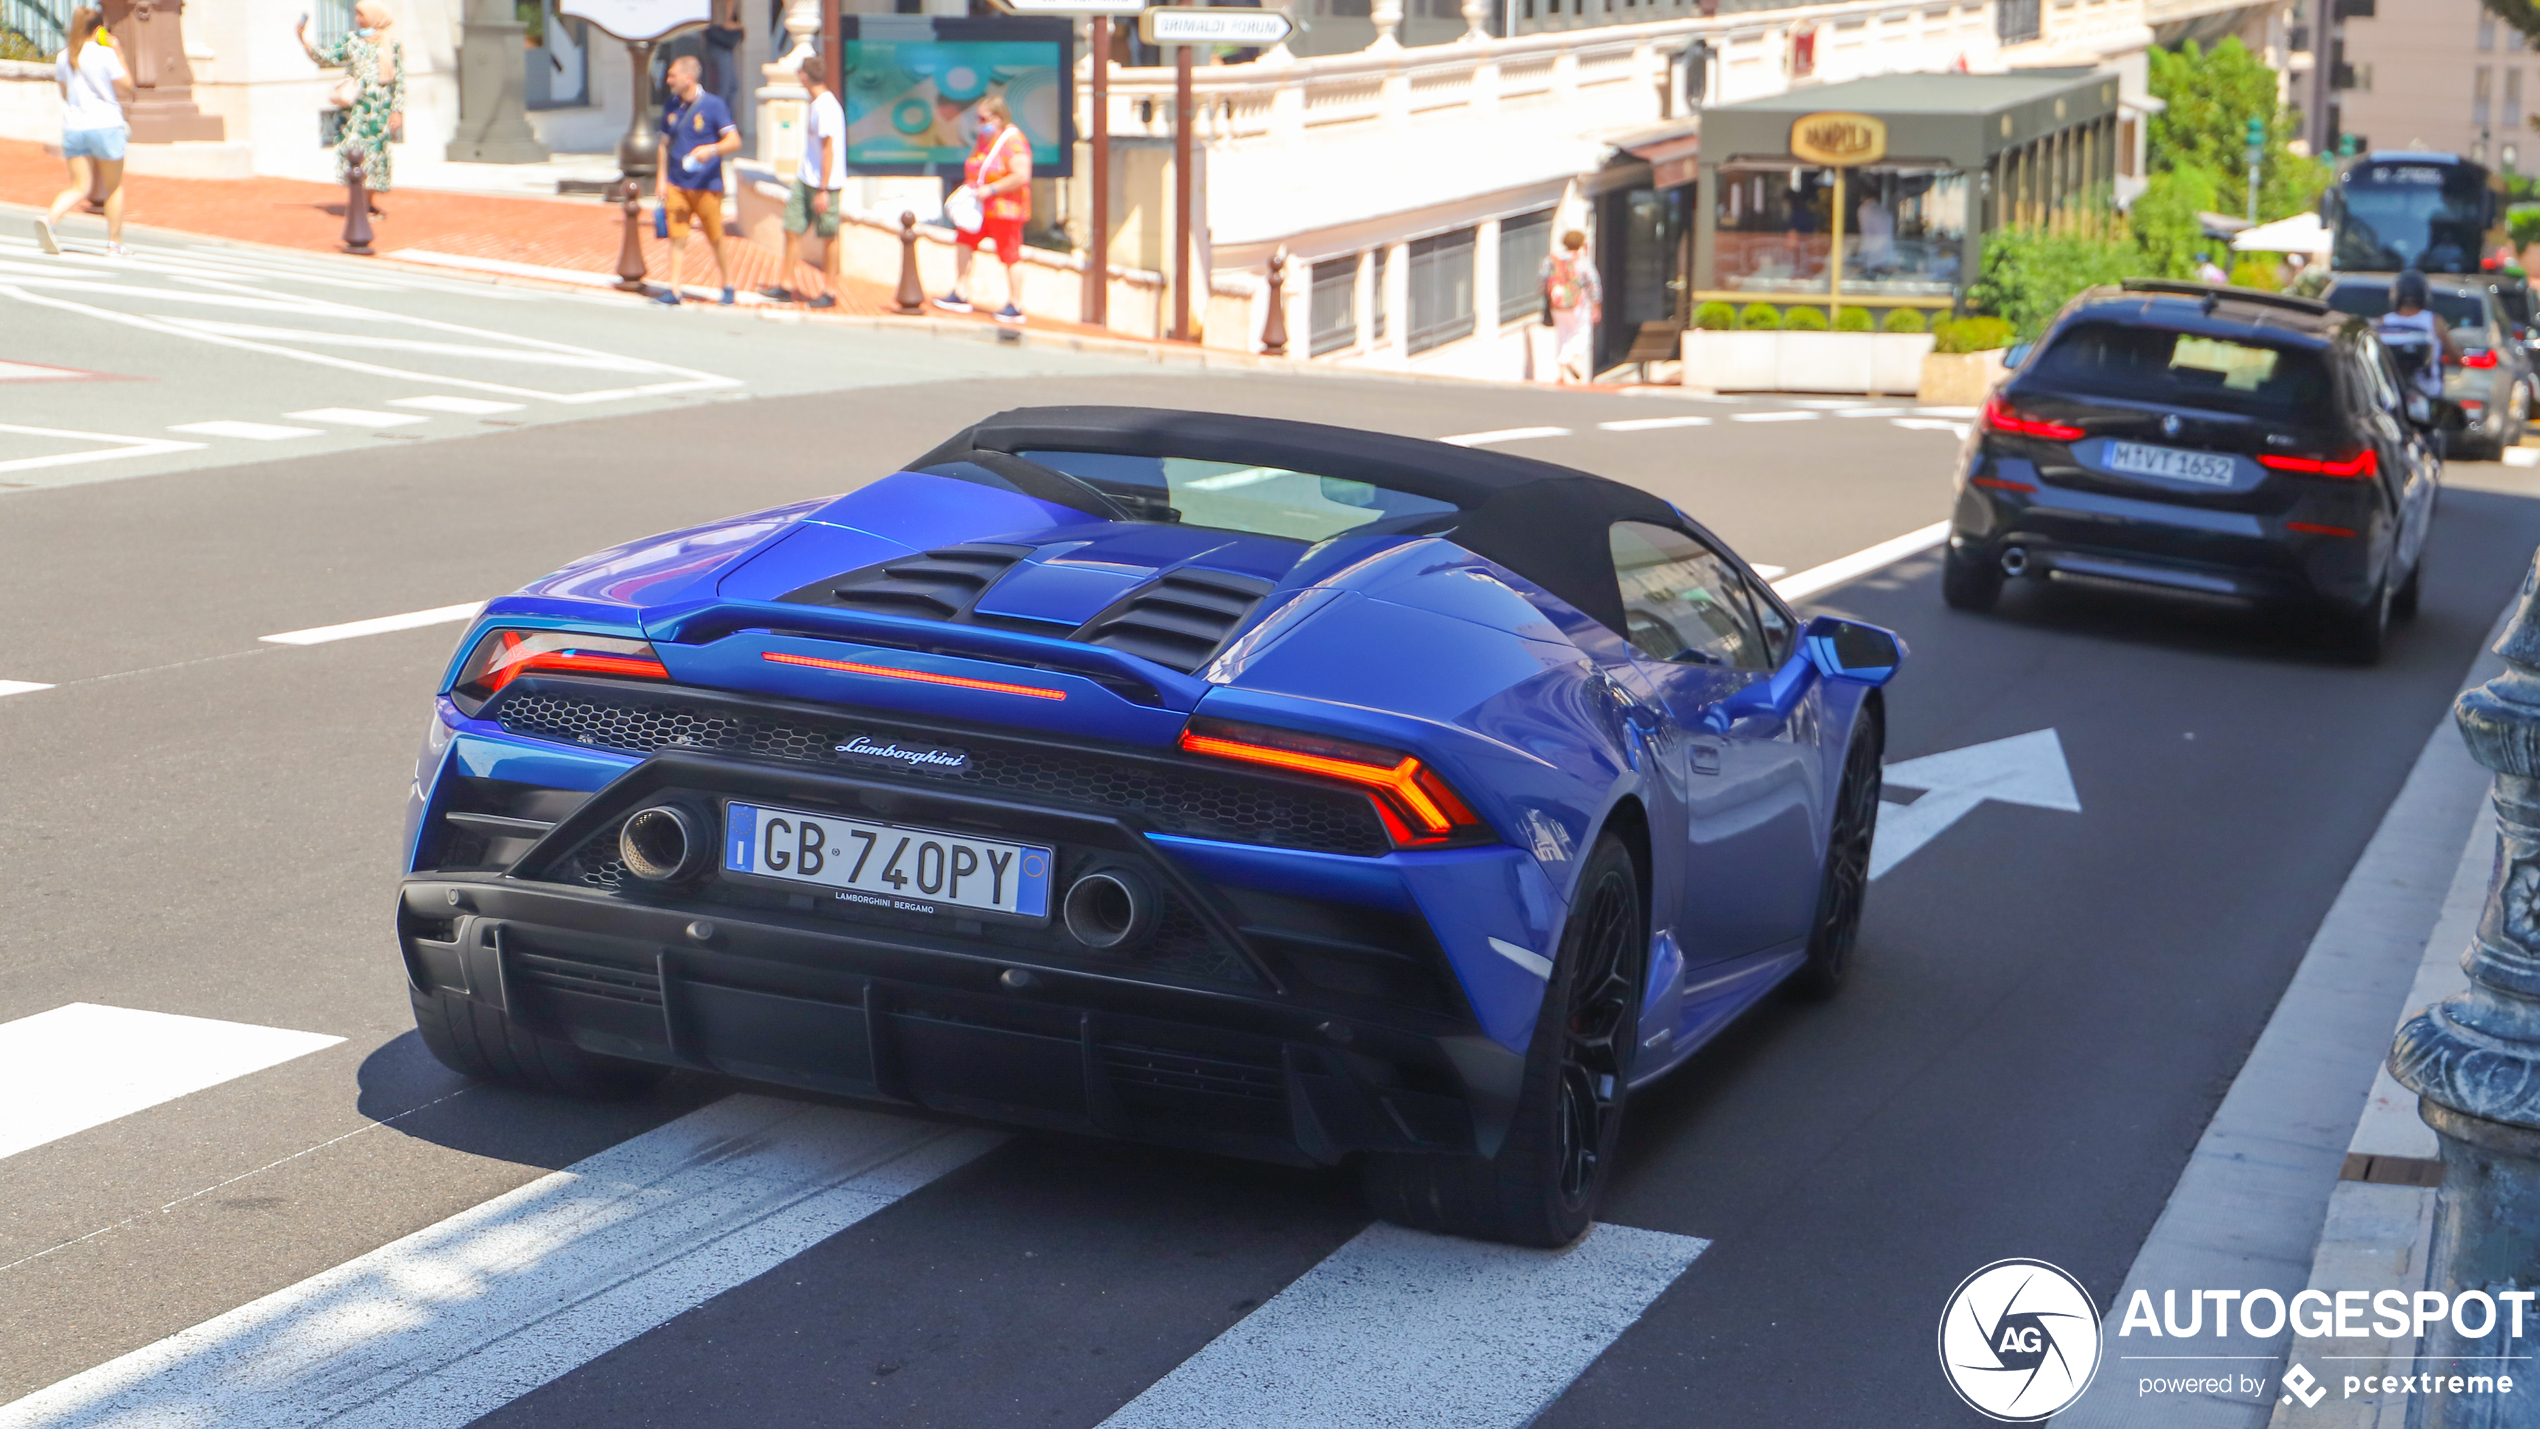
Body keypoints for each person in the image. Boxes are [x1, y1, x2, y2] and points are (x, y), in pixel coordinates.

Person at [35, 8, 132, 257]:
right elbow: (127, 86)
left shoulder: (64, 56)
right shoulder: (105, 54)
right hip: (106, 124)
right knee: (113, 187)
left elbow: (65, 92)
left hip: (74, 126)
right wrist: (118, 51)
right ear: (99, 30)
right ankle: (115, 243)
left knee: (79, 185)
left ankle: (50, 218)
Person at [932, 93, 1032, 325]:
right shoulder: (985, 140)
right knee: (965, 240)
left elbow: (1021, 174)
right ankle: (960, 291)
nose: (978, 123)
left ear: (998, 118)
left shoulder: (1013, 140)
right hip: (979, 208)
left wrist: (992, 189)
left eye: (982, 118)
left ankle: (1016, 304)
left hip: (1004, 208)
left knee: (1010, 254)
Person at [296, 1, 404, 213]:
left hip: (380, 112)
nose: (357, 19)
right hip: (356, 112)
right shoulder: (351, 41)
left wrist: (397, 111)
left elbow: (398, 82)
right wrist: (303, 40)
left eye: (360, 15)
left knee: (377, 155)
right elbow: (327, 57)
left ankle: (369, 203)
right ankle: (359, 203)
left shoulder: (391, 44)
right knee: (355, 154)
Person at [653, 53, 741, 306]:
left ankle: (728, 284)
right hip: (677, 183)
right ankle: (674, 289)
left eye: (673, 75)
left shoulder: (714, 105)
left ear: (688, 77)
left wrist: (711, 150)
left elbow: (734, 140)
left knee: (715, 236)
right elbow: (663, 144)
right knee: (677, 237)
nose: (669, 80)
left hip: (706, 185)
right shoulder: (671, 105)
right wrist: (661, 178)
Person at [766, 56, 843, 309]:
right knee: (792, 227)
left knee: (829, 236)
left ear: (804, 77)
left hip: (824, 184)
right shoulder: (817, 103)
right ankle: (786, 284)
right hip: (805, 177)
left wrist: (823, 189)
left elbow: (828, 149)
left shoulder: (825, 107)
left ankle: (830, 290)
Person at [2379, 268, 2462, 402]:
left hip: (2392, 393)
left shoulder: (2383, 321)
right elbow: (2455, 357)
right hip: (2429, 393)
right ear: (2424, 294)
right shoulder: (2435, 321)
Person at [1541, 228, 1602, 385]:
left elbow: (1542, 280)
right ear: (1581, 244)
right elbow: (1593, 283)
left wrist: (1546, 298)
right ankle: (1573, 358)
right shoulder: (1582, 261)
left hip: (1557, 304)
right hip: (1577, 304)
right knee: (1581, 333)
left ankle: (1561, 372)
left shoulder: (1551, 260)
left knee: (1562, 335)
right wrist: (1596, 304)